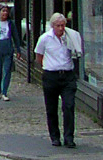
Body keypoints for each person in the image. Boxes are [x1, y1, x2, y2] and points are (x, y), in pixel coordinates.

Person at [35, 12, 82, 148]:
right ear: (53, 26)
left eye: (63, 25)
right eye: (58, 26)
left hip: (67, 75)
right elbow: (39, 56)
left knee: (69, 106)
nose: (61, 28)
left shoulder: (70, 37)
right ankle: (55, 137)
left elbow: (76, 51)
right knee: (51, 108)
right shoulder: (45, 39)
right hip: (51, 76)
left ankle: (69, 137)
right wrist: (47, 67)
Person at [0, 4, 20, 101]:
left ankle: (4, 92)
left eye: (6, 11)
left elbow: (15, 36)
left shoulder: (10, 23)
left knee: (7, 71)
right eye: (3, 11)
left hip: (7, 49)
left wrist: (18, 49)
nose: (5, 13)